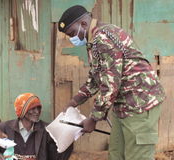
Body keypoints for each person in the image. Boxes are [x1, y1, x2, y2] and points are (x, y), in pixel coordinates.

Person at [58, 5, 165, 160]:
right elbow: (96, 77)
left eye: (72, 33)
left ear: (83, 24)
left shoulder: (103, 38)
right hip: (123, 105)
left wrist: (93, 119)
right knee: (116, 154)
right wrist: (75, 100)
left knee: (137, 156)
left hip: (140, 104)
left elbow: (110, 85)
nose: (72, 38)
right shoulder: (94, 40)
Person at [0, 93, 73, 160]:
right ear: (22, 110)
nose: (37, 112)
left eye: (38, 108)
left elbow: (57, 156)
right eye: (33, 108)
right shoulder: (4, 128)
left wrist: (67, 139)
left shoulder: (47, 130)